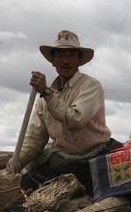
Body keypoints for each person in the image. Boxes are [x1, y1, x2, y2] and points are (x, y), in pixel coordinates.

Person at [6, 30, 121, 193]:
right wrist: (18, 161)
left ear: (79, 60)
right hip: (64, 158)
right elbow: (35, 139)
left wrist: (46, 93)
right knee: (27, 182)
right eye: (60, 56)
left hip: (92, 155)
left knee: (55, 167)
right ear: (53, 61)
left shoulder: (91, 86)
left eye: (71, 56)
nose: (65, 61)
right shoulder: (44, 99)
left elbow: (76, 119)